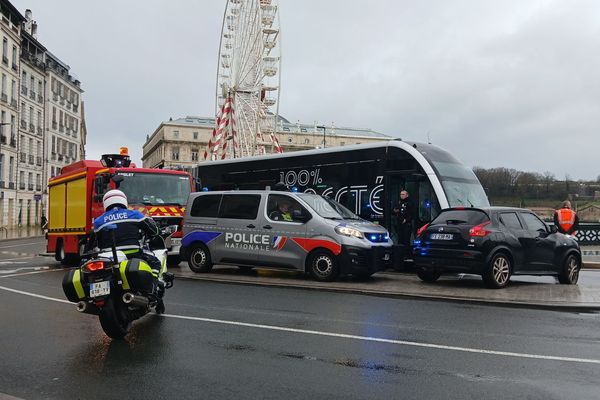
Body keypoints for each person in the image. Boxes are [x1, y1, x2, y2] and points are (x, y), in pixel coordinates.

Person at [92, 190, 165, 301]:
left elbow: (95, 242)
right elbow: (153, 231)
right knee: (155, 263)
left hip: (107, 258)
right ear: (123, 200)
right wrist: (156, 231)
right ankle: (152, 290)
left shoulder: (98, 221)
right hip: (133, 254)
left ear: (105, 203)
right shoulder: (135, 214)